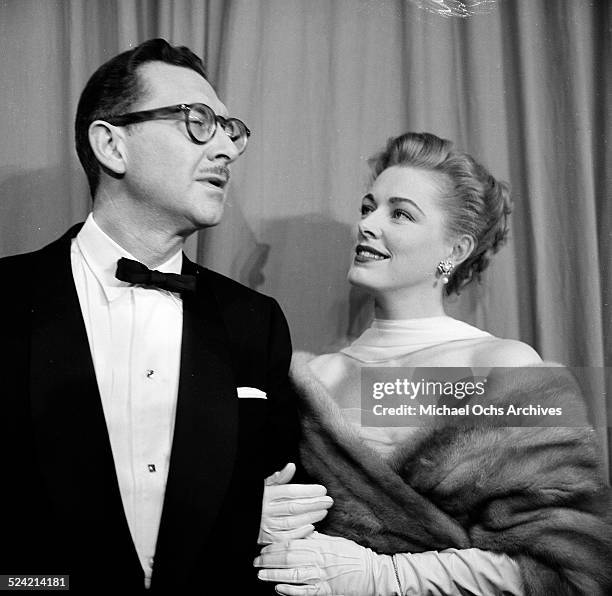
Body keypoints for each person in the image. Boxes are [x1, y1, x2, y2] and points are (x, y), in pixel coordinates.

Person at [0, 38, 334, 594]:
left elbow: (273, 504)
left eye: (232, 130)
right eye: (198, 121)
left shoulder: (255, 320)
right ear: (112, 145)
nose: (225, 149)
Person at [255, 132, 612, 595]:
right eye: (368, 207)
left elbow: (568, 565)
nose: (367, 224)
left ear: (456, 251)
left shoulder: (501, 366)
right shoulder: (307, 375)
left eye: (399, 213)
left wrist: (384, 577)